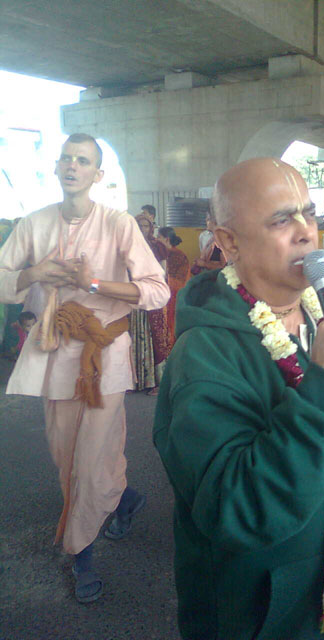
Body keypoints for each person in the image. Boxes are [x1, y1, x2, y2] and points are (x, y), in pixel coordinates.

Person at [153, 158, 324, 640]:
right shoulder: (204, 355)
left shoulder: (319, 315)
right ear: (228, 242)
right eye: (281, 220)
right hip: (253, 608)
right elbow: (238, 510)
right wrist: (320, 392)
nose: (306, 233)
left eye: (309, 214)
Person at [0, 133, 170, 603]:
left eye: (84, 161)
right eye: (67, 159)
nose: (72, 166)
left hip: (104, 360)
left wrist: (91, 280)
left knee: (90, 458)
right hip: (54, 355)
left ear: (97, 175)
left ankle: (81, 552)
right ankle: (126, 498)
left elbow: (158, 290)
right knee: (65, 455)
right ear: (57, 168)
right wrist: (34, 274)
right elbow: (3, 278)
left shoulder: (117, 224)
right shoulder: (33, 224)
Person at [129, 213, 168, 394]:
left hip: (152, 298)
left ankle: (157, 382)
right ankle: (133, 380)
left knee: (155, 338)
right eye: (139, 225)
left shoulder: (157, 246)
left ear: (151, 228)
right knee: (131, 336)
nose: (142, 229)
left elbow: (163, 272)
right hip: (133, 297)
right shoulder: (128, 245)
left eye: (145, 226)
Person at [157, 227, 190, 355]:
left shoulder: (175, 255)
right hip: (169, 294)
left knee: (171, 325)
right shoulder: (166, 254)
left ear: (166, 239)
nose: (156, 240)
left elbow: (177, 280)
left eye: (159, 237)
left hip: (174, 295)